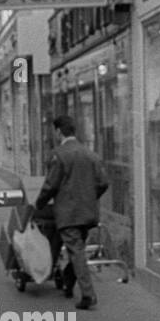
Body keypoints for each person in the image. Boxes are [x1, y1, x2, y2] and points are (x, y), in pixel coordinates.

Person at [34, 116, 108, 310]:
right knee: (78, 249)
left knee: (76, 251)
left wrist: (39, 203)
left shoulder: (59, 155)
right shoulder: (90, 154)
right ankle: (67, 281)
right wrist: (90, 197)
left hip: (68, 213)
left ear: (58, 132)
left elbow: (51, 185)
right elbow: (103, 183)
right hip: (87, 212)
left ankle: (88, 295)